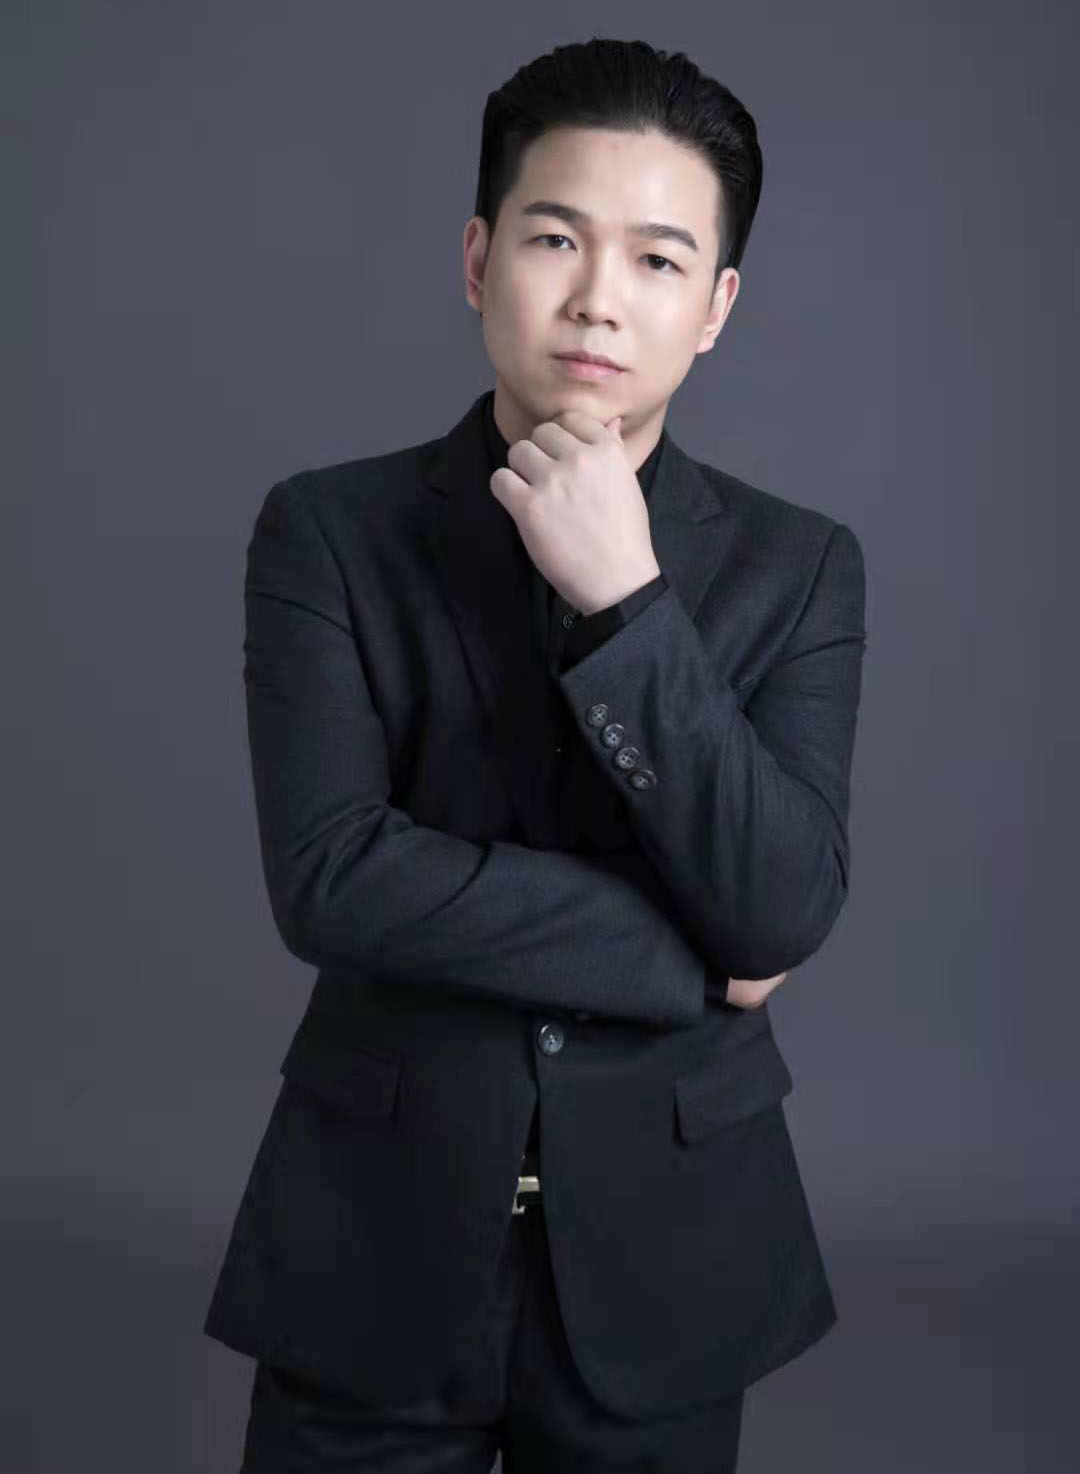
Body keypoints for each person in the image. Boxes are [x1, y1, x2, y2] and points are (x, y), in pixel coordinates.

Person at [203, 36, 867, 1472]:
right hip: (374, 1240)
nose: (596, 300)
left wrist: (627, 603)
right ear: (477, 257)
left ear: (717, 307)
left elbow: (785, 901)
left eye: (657, 259)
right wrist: (688, 959)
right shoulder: (328, 532)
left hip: (672, 1252)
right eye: (555, 238)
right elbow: (332, 878)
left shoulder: (802, 567)